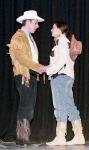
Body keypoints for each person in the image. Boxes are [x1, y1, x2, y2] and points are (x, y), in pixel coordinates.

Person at [44, 21, 85, 146]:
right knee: (69, 105)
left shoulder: (62, 42)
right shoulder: (63, 42)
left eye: (53, 27)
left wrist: (47, 70)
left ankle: (61, 137)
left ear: (60, 30)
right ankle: (79, 136)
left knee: (60, 106)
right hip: (65, 77)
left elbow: (61, 61)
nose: (51, 29)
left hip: (60, 77)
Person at [8, 10, 45, 145]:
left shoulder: (29, 37)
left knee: (29, 105)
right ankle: (22, 138)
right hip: (24, 74)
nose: (37, 25)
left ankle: (23, 137)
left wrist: (37, 68)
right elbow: (20, 57)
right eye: (35, 23)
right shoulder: (18, 37)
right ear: (28, 22)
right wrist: (37, 66)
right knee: (26, 105)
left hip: (31, 75)